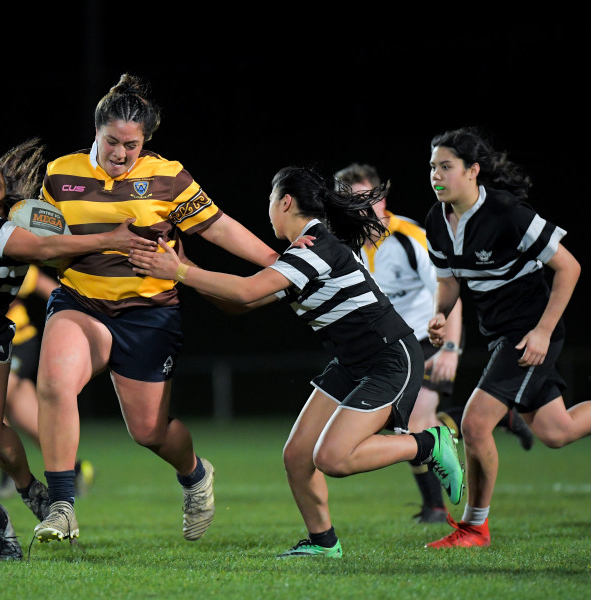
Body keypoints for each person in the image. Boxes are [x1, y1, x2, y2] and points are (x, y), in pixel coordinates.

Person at [129, 165, 465, 558]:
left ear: (285, 201)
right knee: (297, 455)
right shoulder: (301, 252)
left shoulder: (315, 245)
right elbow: (242, 304)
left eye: (270, 200)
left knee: (333, 458)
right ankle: (324, 543)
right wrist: (187, 268)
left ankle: (429, 443)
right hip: (353, 362)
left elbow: (246, 290)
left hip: (389, 356)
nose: (268, 209)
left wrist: (181, 271)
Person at [31, 73, 282, 545]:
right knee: (55, 382)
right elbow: (45, 242)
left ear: (145, 141)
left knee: (149, 432)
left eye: (132, 144)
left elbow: (217, 227)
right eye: (112, 141)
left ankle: (195, 475)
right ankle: (62, 506)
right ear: (96, 130)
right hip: (82, 300)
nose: (120, 153)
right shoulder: (60, 175)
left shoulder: (167, 176)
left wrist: (275, 261)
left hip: (149, 313)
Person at [0, 138, 155, 560]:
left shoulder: (23, 212)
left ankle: (29, 489)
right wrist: (112, 239)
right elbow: (42, 249)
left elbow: (56, 244)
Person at [423, 127, 591, 548]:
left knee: (474, 423)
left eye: (446, 166)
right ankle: (474, 528)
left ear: (473, 171)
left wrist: (542, 332)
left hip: (529, 334)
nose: (436, 176)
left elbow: (569, 267)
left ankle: (475, 528)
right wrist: (440, 314)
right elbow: (449, 282)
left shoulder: (506, 213)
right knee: (556, 431)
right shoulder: (437, 220)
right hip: (500, 335)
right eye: (432, 167)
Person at [333, 162, 465, 524]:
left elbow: (449, 291)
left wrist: (451, 349)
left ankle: (435, 508)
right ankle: (493, 416)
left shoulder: (410, 237)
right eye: (350, 201)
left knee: (418, 420)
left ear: (382, 200)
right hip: (394, 346)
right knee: (407, 426)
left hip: (430, 336)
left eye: (366, 199)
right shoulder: (347, 244)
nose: (360, 208)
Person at [0, 264, 94, 499]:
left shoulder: (5, 263)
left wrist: (70, 323)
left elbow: (51, 289)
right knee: (29, 418)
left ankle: (9, 473)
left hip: (18, 343)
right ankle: (75, 469)